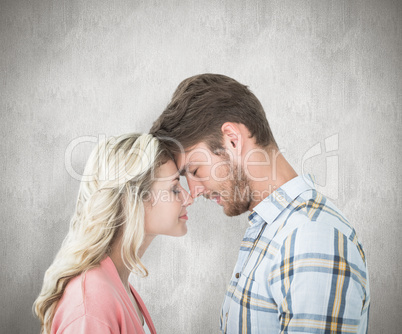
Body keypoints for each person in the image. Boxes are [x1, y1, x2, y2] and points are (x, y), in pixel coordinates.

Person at [150, 74, 370, 333]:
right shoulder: (272, 229)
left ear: (232, 139)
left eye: (195, 171)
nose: (194, 192)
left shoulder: (311, 238)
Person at [33, 133, 193, 334]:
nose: (189, 198)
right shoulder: (91, 306)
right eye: (174, 188)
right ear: (132, 201)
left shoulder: (116, 286)